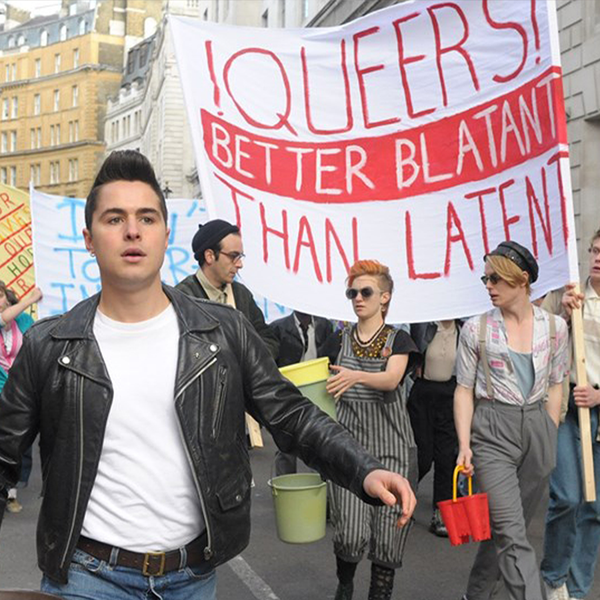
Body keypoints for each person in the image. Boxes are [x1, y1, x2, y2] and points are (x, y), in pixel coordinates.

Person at [0, 150, 416, 599]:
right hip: (87, 576)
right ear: (88, 238)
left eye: (147, 218)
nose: (133, 230)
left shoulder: (225, 332)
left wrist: (364, 469)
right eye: (114, 219)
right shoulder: (51, 345)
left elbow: (292, 415)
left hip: (192, 578)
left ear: (165, 234)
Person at [454, 241, 569, 600]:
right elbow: (463, 390)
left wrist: (548, 430)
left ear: (521, 281)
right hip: (492, 431)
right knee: (512, 533)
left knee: (507, 529)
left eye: (496, 279)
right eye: (485, 278)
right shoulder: (476, 329)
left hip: (537, 429)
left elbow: (556, 383)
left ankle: (476, 594)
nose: (488, 286)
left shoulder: (555, 328)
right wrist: (464, 446)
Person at [323, 260, 421, 600]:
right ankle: (345, 582)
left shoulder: (400, 339)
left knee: (388, 539)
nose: (358, 298)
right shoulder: (338, 336)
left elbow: (392, 379)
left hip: (393, 448)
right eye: (352, 292)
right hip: (349, 449)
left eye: (366, 292)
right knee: (349, 534)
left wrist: (356, 376)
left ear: (385, 297)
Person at [541, 229, 600, 600]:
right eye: (594, 250)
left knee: (594, 508)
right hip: (566, 411)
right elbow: (539, 337)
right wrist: (562, 314)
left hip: (596, 414)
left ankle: (576, 590)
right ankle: (554, 575)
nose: (596, 258)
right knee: (566, 496)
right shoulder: (573, 296)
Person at [176, 218, 278, 359]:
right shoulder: (182, 298)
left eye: (240, 256)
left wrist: (253, 361)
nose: (239, 264)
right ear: (210, 256)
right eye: (233, 256)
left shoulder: (241, 294)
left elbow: (268, 337)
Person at [408, 318, 462, 537]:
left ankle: (442, 512)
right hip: (423, 394)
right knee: (423, 455)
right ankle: (403, 497)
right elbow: (410, 353)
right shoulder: (423, 325)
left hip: (451, 394)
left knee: (446, 457)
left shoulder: (463, 330)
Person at [269, 310, 333, 475]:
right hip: (288, 390)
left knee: (319, 440)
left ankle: (319, 488)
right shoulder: (279, 327)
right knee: (286, 443)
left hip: (318, 389)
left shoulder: (324, 325)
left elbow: (329, 357)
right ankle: (286, 486)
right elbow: (271, 363)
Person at [0, 282, 42, 514]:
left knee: (18, 444)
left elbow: (37, 341)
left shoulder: (23, 321)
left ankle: (11, 492)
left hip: (18, 392)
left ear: (7, 298)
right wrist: (32, 298)